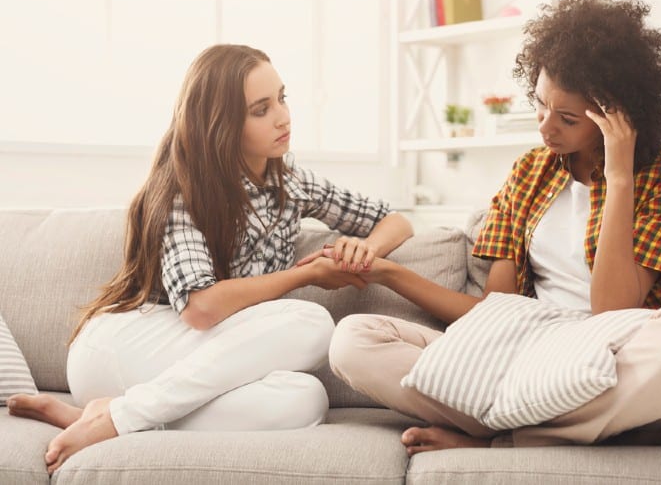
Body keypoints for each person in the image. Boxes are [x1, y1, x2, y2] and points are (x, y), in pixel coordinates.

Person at [324, 0, 661, 455]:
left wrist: (620, 177)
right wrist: (387, 272)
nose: (544, 128)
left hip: (616, 352)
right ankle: (589, 431)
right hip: (528, 355)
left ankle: (503, 438)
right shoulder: (529, 171)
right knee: (353, 341)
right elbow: (495, 313)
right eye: (540, 105)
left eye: (566, 119)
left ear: (617, 117)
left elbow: (613, 310)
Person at [6, 44, 413, 472]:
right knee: (311, 323)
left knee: (305, 399)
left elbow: (395, 221)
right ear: (220, 124)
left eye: (282, 98)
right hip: (121, 348)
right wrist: (303, 277)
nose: (283, 116)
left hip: (174, 371)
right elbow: (201, 308)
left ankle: (113, 414)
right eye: (261, 109)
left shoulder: (291, 182)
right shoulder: (182, 190)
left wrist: (364, 249)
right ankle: (121, 416)